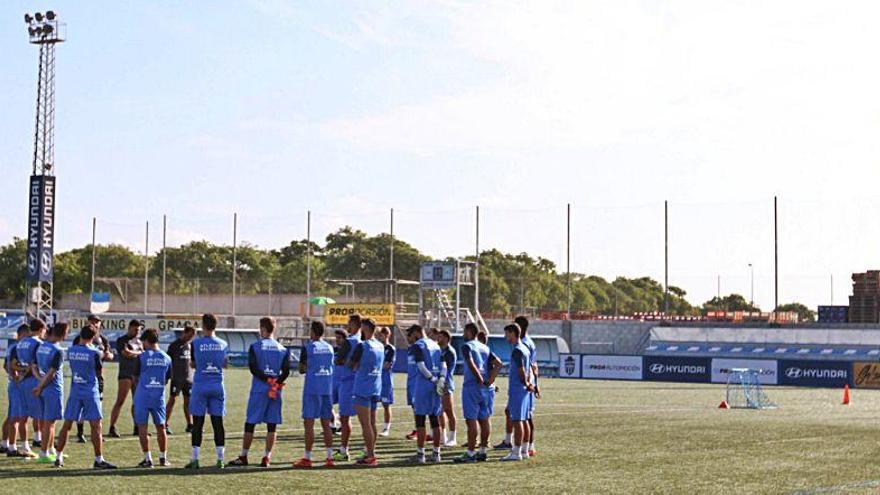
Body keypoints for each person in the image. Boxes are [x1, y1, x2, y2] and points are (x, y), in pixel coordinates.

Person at [229, 317, 290, 468]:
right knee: (272, 424)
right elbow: (286, 371)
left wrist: (267, 379)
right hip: (275, 390)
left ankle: (243, 456)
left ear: (263, 329)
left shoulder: (255, 346)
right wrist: (275, 382)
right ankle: (266, 457)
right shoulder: (282, 349)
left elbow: (253, 368)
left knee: (250, 423)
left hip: (259, 389)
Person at [55, 325, 117, 469]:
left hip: (75, 390)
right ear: (94, 337)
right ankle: (98, 459)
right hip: (90, 391)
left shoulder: (71, 350)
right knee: (96, 426)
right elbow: (99, 371)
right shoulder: (95, 352)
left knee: (67, 424)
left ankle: (58, 457)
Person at [453, 324, 502, 464]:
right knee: (485, 419)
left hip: (472, 387)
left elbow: (470, 363)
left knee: (471, 420)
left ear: (469, 332)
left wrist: (479, 379)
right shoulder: (485, 347)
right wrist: (490, 380)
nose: (463, 334)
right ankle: (482, 451)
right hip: (487, 389)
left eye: (464, 331)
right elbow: (498, 364)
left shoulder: (467, 346)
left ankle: (470, 453)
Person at [185, 314, 229, 469]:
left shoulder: (195, 343)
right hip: (217, 385)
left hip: (200, 385)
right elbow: (225, 364)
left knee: (198, 423)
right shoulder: (223, 343)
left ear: (203, 325)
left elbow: (193, 364)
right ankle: (220, 460)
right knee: (218, 423)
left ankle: (195, 460)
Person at [293, 321, 335, 469]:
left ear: (312, 332)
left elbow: (301, 369)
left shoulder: (308, 348)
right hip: (326, 389)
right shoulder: (330, 348)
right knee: (326, 424)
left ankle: (308, 457)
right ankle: (330, 457)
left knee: (309, 424)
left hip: (312, 389)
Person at [406, 324, 446, 464]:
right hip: (435, 386)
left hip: (423, 385)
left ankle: (421, 454)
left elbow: (421, 365)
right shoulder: (435, 345)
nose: (410, 338)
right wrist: (440, 379)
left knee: (420, 420)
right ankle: (436, 453)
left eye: (410, 335)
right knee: (435, 420)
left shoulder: (418, 345)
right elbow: (443, 365)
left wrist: (432, 379)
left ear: (417, 332)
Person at [133, 329, 172, 468]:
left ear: (146, 341)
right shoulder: (167, 358)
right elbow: (167, 378)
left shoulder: (141, 357)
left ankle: (147, 459)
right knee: (161, 426)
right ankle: (163, 458)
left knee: (142, 426)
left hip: (142, 396)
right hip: (158, 396)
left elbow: (135, 378)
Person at [348, 318, 384, 466]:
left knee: (366, 424)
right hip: (375, 386)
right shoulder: (380, 345)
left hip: (363, 387)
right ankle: (370, 452)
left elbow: (351, 364)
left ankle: (370, 455)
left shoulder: (362, 345)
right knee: (372, 423)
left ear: (364, 328)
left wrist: (356, 366)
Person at [73, 315, 113, 444]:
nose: (95, 324)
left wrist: (108, 355)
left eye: (97, 322)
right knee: (81, 406)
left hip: (98, 378)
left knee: (97, 407)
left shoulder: (103, 339)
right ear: (88, 322)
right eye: (93, 322)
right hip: (82, 377)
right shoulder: (80, 339)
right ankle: (80, 432)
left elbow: (110, 355)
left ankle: (97, 434)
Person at [33, 322, 69, 464]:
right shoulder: (58, 350)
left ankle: (51, 449)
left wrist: (39, 382)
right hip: (52, 389)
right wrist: (41, 386)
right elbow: (51, 374)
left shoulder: (42, 346)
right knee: (50, 423)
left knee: (48, 421)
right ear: (62, 333)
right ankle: (44, 453)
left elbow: (34, 366)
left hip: (43, 387)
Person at [501, 323, 534, 462]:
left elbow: (521, 371)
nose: (505, 337)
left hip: (518, 389)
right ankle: (525, 449)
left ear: (513, 333)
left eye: (507, 334)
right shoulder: (525, 349)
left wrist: (526, 383)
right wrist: (529, 384)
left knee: (517, 420)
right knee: (524, 419)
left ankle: (516, 451)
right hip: (524, 390)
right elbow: (529, 369)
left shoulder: (517, 350)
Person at [332, 313, 361, 461]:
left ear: (354, 324)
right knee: (367, 419)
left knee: (345, 418)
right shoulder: (364, 341)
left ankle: (344, 450)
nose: (347, 326)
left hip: (347, 382)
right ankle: (367, 451)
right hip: (360, 382)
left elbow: (338, 360)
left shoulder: (350, 341)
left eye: (349, 323)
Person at [109, 319, 144, 438]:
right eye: (135, 329)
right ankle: (112, 426)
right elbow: (126, 353)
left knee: (137, 402)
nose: (137, 332)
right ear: (129, 328)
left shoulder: (139, 342)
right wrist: (139, 353)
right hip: (125, 374)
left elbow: (138, 353)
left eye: (139, 330)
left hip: (137, 374)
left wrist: (135, 352)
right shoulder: (122, 340)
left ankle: (137, 426)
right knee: (120, 401)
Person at [16, 318, 46, 455]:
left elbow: (17, 362)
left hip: (22, 382)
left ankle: (25, 445)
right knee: (43, 415)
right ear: (41, 329)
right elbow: (36, 364)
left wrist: (20, 375)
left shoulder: (21, 343)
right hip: (34, 380)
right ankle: (45, 447)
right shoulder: (38, 343)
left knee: (23, 416)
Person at [4, 324, 34, 458]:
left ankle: (9, 444)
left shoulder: (12, 347)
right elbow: (12, 364)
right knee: (17, 418)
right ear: (23, 334)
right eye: (28, 335)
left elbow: (6, 365)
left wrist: (14, 375)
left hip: (14, 384)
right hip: (17, 386)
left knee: (13, 416)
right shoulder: (18, 347)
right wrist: (20, 374)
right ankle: (13, 447)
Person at [515, 315, 539, 457]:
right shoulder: (528, 342)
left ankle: (528, 446)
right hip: (527, 383)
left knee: (526, 416)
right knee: (521, 415)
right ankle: (524, 444)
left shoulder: (525, 343)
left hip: (525, 384)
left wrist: (532, 383)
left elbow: (531, 366)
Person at [166, 325, 196, 435]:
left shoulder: (191, 346)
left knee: (188, 402)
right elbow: (168, 362)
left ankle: (190, 424)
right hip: (176, 378)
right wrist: (168, 375)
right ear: (184, 333)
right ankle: (165, 424)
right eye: (189, 335)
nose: (190, 338)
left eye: (192, 336)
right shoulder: (174, 346)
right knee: (172, 400)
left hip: (188, 379)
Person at [437, 329, 458, 447]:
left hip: (447, 384)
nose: (438, 339)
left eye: (440, 337)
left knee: (449, 411)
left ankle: (453, 437)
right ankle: (443, 436)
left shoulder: (450, 351)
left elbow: (447, 369)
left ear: (446, 338)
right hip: (440, 383)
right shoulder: (440, 350)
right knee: (440, 411)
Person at [377, 326, 395, 437]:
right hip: (376, 379)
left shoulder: (390, 349)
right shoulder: (378, 347)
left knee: (386, 404)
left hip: (385, 380)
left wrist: (375, 367)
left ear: (388, 335)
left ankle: (386, 428)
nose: (380, 337)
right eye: (379, 335)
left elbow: (387, 365)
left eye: (382, 335)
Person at [330, 329, 347, 435]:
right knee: (328, 404)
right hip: (333, 381)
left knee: (343, 406)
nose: (337, 340)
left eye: (339, 338)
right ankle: (332, 425)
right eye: (336, 338)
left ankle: (342, 426)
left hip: (344, 381)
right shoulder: (333, 350)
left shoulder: (348, 350)